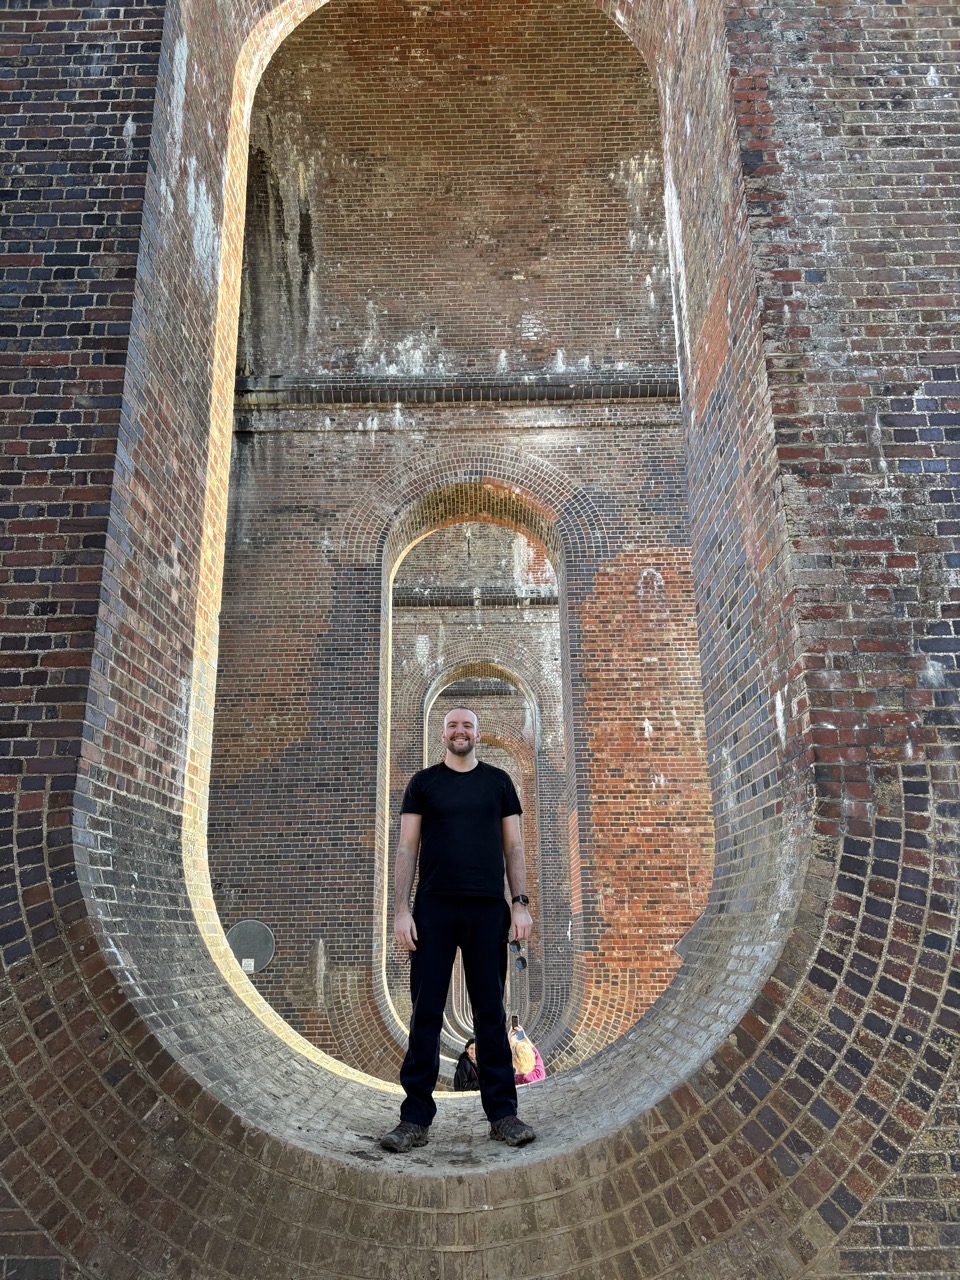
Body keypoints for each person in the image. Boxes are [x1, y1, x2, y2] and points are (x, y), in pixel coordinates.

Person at [380, 706, 536, 1152]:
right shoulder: (423, 784)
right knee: (425, 1012)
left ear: (477, 734)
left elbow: (514, 847)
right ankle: (414, 1119)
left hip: (488, 910)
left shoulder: (499, 783)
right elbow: (407, 847)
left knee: (491, 1012)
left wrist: (519, 905)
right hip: (433, 909)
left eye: (467, 725)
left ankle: (503, 1114)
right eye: (452, 725)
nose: (459, 731)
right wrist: (400, 911)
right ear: (442, 734)